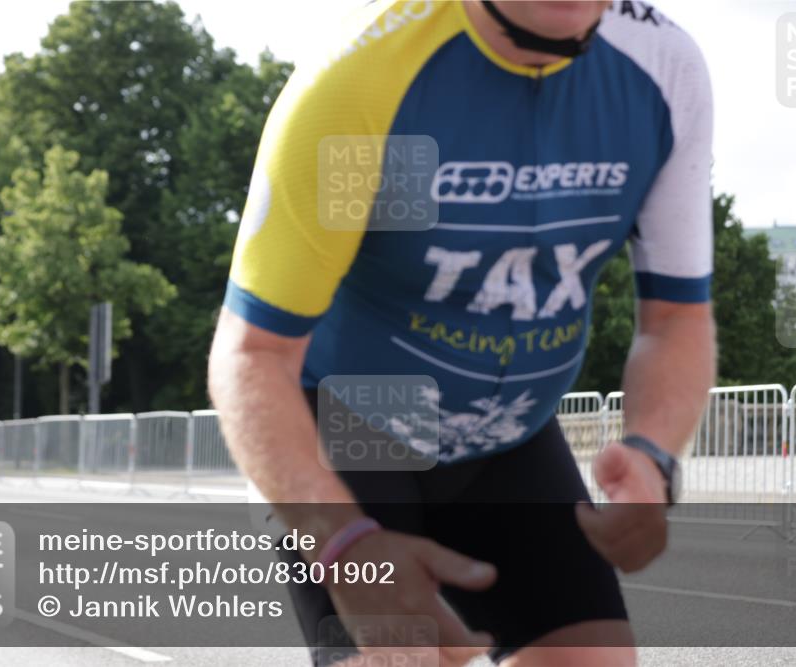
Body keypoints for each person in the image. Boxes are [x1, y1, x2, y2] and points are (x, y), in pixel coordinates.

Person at [208, 1, 716, 665]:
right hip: (353, 430)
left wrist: (653, 455)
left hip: (509, 436)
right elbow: (252, 355)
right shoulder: (362, 78)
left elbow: (677, 316)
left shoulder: (663, 68)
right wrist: (343, 544)